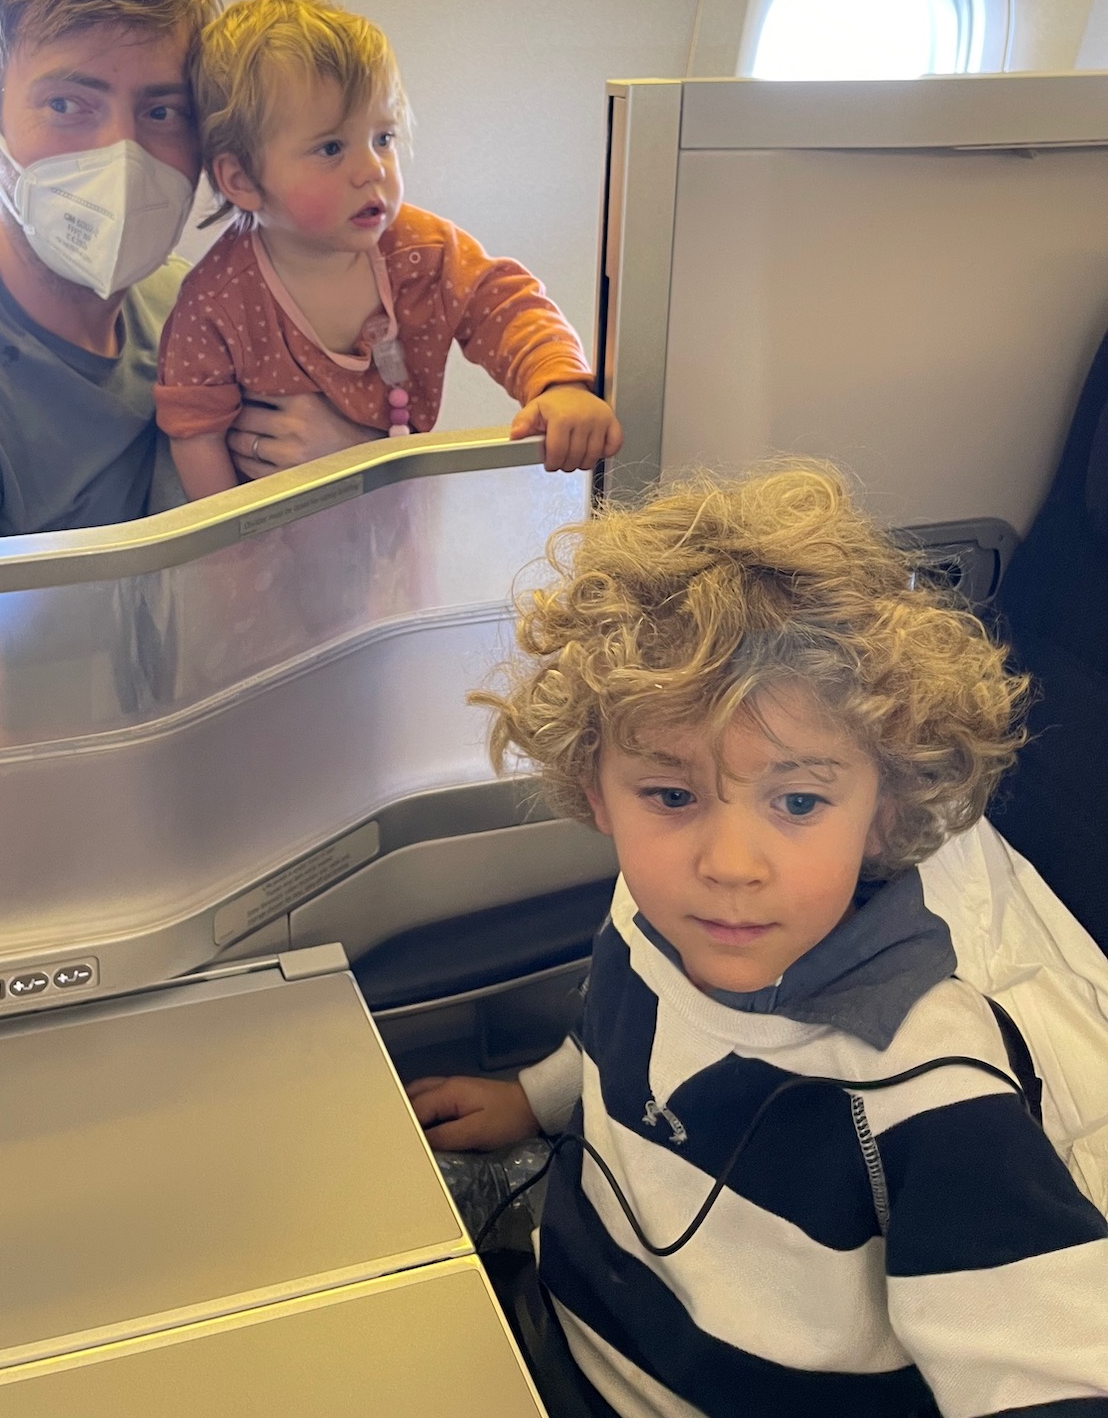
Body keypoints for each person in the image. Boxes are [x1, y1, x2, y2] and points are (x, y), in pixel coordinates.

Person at [407, 464, 1108, 1418]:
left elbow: (1056, 1371)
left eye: (799, 801)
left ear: (882, 808)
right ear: (593, 788)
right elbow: (622, 1042)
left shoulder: (925, 1088)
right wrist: (535, 1099)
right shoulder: (650, 915)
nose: (729, 863)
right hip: (564, 1337)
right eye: (672, 795)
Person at [0, 0, 381, 549]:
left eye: (162, 111)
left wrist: (348, 462)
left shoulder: (186, 304)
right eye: (66, 105)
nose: (122, 153)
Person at [154, 0, 622, 498]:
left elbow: (503, 304)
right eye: (331, 148)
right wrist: (234, 564)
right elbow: (194, 430)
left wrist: (558, 386)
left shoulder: (423, 252)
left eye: (383, 138)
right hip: (278, 547)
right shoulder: (215, 303)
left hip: (396, 522)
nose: (373, 169)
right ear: (242, 178)